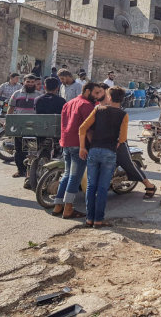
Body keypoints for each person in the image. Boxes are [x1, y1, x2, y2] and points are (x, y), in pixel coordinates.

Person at [51, 82, 105, 220]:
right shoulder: (87, 106)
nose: (98, 96)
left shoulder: (69, 103)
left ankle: (58, 205)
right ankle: (68, 208)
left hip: (66, 143)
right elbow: (88, 129)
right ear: (87, 91)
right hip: (79, 145)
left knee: (67, 175)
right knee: (75, 177)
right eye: (96, 93)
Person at [78, 86, 128, 227]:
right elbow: (123, 138)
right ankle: (98, 219)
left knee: (91, 186)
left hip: (93, 151)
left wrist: (82, 147)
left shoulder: (98, 110)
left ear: (109, 97)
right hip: (109, 152)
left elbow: (82, 128)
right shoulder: (123, 115)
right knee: (102, 187)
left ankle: (89, 218)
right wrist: (116, 144)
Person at [7, 75, 43, 177]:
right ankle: (20, 170)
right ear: (24, 82)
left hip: (32, 127)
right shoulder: (17, 94)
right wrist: (8, 121)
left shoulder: (39, 95)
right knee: (19, 150)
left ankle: (29, 173)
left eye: (32, 82)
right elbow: (11, 108)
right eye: (28, 82)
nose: (30, 84)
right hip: (19, 126)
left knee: (30, 150)